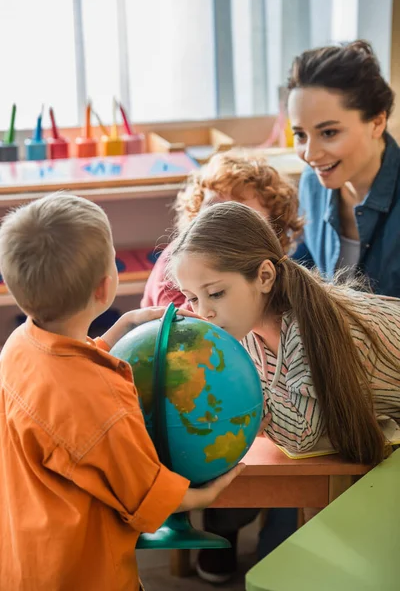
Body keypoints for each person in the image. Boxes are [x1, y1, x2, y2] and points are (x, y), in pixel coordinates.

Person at [0, 192, 244, 591]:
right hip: (78, 572)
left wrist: (118, 331)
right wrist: (204, 496)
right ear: (105, 286)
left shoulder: (18, 346)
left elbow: (62, 369)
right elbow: (146, 495)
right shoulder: (102, 403)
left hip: (21, 556)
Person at [141, 150, 303, 584]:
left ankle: (267, 541)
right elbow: (175, 349)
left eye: (240, 215)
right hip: (192, 397)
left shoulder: (282, 278)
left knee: (286, 466)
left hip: (259, 397)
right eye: (214, 211)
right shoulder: (183, 269)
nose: (224, 222)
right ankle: (223, 531)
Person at [169, 201, 400, 466]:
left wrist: (246, 402)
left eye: (216, 293)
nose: (204, 312)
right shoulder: (245, 326)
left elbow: (300, 434)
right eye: (192, 299)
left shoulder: (305, 329)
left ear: (264, 276)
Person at [287, 40, 400, 296]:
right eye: (301, 135)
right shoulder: (312, 183)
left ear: (377, 122)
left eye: (329, 132)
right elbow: (305, 263)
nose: (310, 154)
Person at [141, 149, 303, 309]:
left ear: (271, 233)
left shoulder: (267, 267)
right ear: (195, 211)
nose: (221, 226)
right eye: (213, 208)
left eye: (241, 219)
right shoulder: (176, 261)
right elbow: (179, 328)